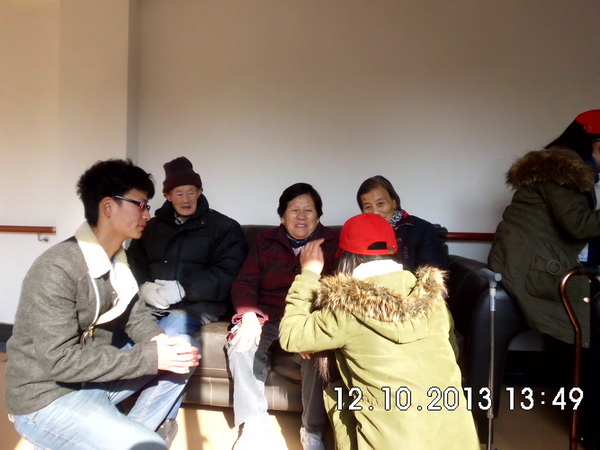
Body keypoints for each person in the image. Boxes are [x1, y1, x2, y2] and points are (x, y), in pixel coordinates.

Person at [5, 159, 200, 450]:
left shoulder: (119, 260)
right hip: (48, 396)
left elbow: (136, 317)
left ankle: (131, 432)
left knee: (183, 350)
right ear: (108, 207)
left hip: (92, 381)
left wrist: (161, 343)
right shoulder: (57, 268)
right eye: (141, 205)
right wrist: (150, 357)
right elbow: (59, 362)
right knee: (148, 447)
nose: (147, 215)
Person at [279, 213, 479, 449]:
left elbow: (292, 336)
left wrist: (309, 274)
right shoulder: (433, 298)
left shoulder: (345, 307)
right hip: (459, 439)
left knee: (339, 392)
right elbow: (452, 352)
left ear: (345, 257)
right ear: (394, 250)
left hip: (390, 443)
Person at [488, 109, 600, 445]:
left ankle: (582, 418)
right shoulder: (563, 167)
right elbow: (579, 224)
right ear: (595, 143)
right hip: (533, 270)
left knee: (576, 337)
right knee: (583, 338)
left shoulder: (561, 166)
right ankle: (589, 426)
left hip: (527, 264)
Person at [127, 156, 247, 428]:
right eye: (179, 193)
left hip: (196, 305)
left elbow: (230, 271)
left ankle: (150, 423)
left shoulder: (224, 227)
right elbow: (133, 261)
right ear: (168, 196)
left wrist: (184, 289)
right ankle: (157, 419)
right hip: (152, 303)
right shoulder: (151, 226)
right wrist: (144, 286)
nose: (186, 198)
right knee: (124, 338)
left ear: (200, 192)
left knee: (170, 341)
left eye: (191, 192)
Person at [226, 183, 339, 450]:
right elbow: (245, 281)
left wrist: (313, 328)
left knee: (319, 356)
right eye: (294, 210)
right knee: (240, 345)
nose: (301, 216)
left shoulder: (333, 243)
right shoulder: (265, 241)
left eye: (308, 210)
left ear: (318, 216)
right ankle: (254, 422)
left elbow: (339, 289)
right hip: (268, 314)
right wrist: (248, 314)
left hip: (309, 315)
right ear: (282, 216)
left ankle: (312, 430)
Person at [356, 175, 448, 271]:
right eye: (368, 207)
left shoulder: (423, 230)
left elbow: (433, 274)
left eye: (380, 204)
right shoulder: (357, 235)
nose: (375, 212)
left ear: (394, 203)